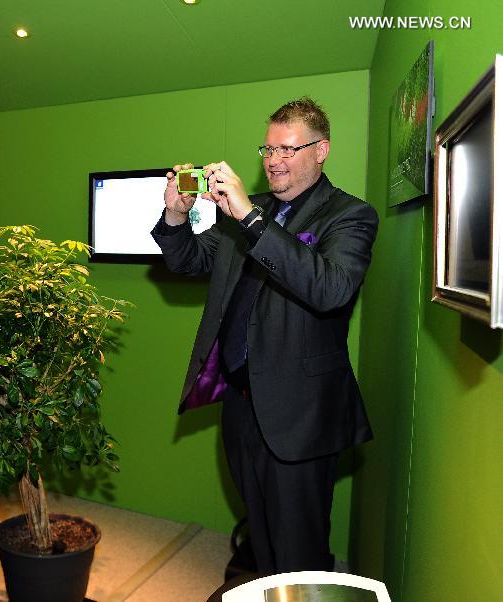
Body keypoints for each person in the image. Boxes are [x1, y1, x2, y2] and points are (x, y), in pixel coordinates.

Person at [151, 97, 378, 574]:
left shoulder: (349, 216)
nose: (273, 161)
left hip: (300, 410)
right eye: (267, 149)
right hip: (240, 405)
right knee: (260, 532)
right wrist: (176, 215)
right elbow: (187, 260)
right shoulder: (247, 214)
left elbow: (331, 288)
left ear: (322, 151)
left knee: (298, 548)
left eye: (288, 150)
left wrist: (251, 220)